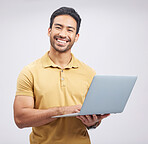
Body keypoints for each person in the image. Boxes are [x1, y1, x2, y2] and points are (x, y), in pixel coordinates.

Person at [13, 7, 110, 144]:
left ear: (76, 37)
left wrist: (92, 123)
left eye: (70, 30)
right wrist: (61, 111)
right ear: (49, 31)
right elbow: (20, 119)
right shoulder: (29, 72)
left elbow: (93, 120)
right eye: (58, 27)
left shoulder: (89, 73)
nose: (63, 34)